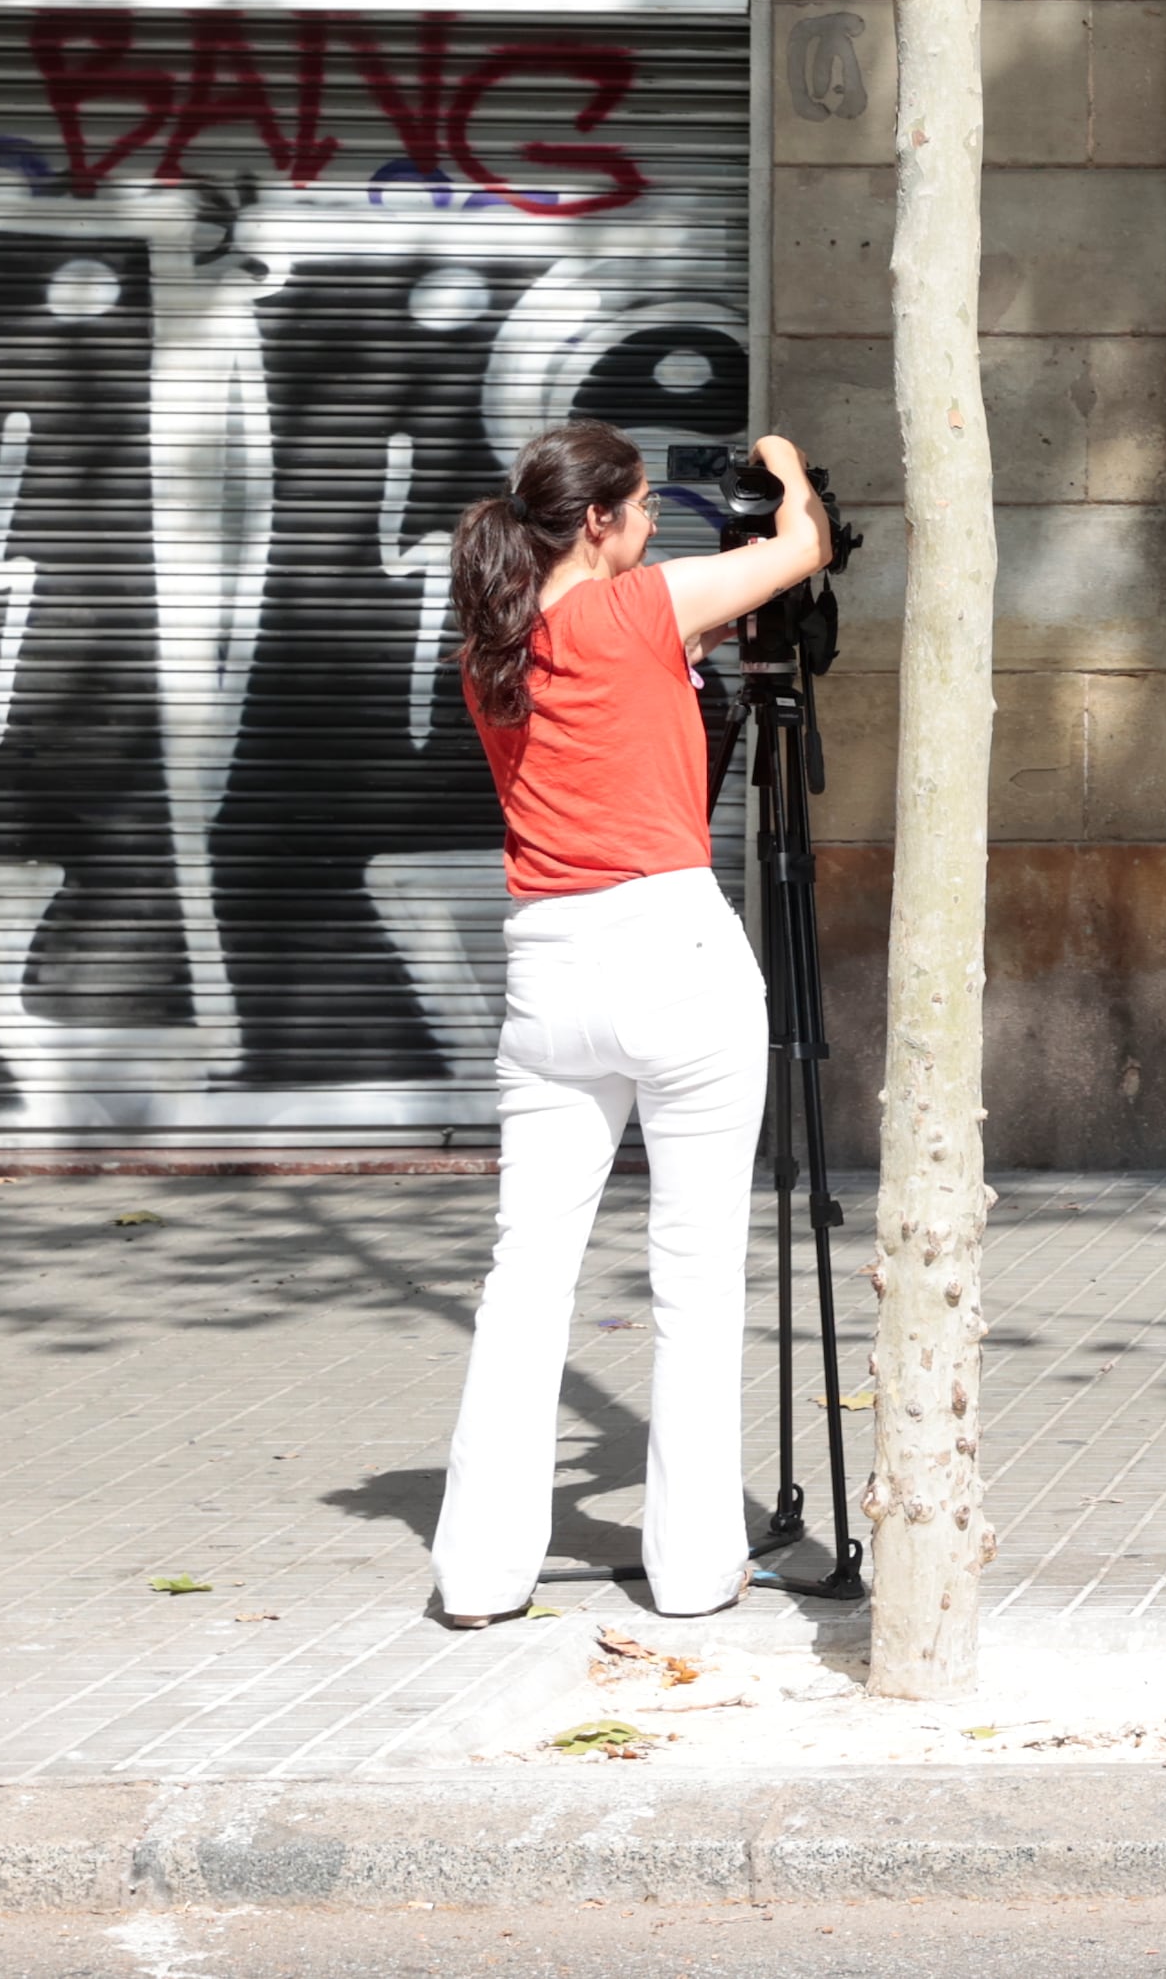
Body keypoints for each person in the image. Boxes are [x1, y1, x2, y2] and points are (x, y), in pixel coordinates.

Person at [426, 420, 830, 1628]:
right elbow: (799, 549)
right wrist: (787, 467)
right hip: (673, 951)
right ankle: (694, 1570)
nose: (657, 524)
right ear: (596, 521)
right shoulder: (638, 607)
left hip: (548, 968)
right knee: (695, 1279)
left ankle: (480, 1574)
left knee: (525, 1275)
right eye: (646, 507)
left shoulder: (493, 652)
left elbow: (617, 679)